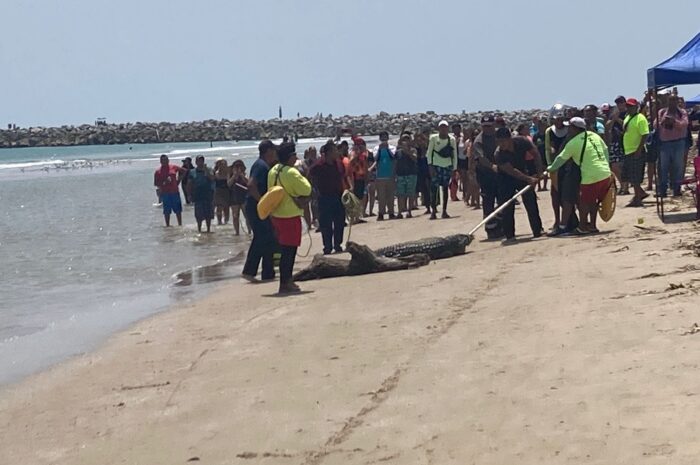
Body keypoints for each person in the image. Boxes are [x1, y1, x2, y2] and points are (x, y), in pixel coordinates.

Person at [547, 117, 612, 235]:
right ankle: (592, 226)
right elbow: (605, 150)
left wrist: (550, 168)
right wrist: (606, 166)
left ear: (575, 128)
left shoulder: (573, 143)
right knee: (594, 201)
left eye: (570, 127)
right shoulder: (594, 135)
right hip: (605, 173)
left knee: (584, 203)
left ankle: (582, 227)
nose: (568, 129)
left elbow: (560, 159)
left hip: (590, 177)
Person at [267, 142, 312, 294]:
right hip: (289, 215)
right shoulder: (291, 172)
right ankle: (286, 282)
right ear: (289, 156)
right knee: (289, 251)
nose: (296, 158)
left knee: (284, 250)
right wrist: (302, 173)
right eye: (294, 155)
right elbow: (306, 188)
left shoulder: (273, 170)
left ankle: (285, 281)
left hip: (276, 214)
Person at [493, 127, 543, 244]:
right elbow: (511, 170)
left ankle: (537, 230)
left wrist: (539, 171)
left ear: (509, 139)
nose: (501, 144)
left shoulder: (522, 141)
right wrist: (529, 179)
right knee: (507, 206)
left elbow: (535, 153)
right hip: (505, 178)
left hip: (522, 172)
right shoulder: (498, 154)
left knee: (531, 201)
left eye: (503, 141)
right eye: (498, 142)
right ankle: (509, 234)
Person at [242, 140, 278, 282]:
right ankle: (249, 271)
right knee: (261, 237)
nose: (275, 152)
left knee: (268, 237)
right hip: (255, 206)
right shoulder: (260, 165)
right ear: (268, 151)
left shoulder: (264, 165)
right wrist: (263, 202)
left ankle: (268, 272)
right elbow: (251, 185)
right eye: (273, 150)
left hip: (258, 206)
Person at [309, 141, 346, 254]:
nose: (337, 152)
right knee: (326, 224)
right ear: (328, 152)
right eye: (335, 150)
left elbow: (343, 177)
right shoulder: (318, 165)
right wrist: (313, 191)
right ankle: (327, 246)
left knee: (340, 221)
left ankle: (337, 244)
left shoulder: (339, 163)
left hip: (338, 196)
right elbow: (309, 177)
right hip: (324, 197)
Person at [545, 112, 576, 233]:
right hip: (556, 166)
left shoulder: (569, 130)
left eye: (560, 119)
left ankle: (570, 220)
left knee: (568, 195)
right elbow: (548, 148)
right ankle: (557, 220)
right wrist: (551, 166)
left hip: (569, 165)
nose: (558, 122)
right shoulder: (550, 131)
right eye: (555, 119)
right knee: (555, 194)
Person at [473, 115, 501, 237]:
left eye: (489, 126)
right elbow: (481, 158)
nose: (487, 129)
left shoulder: (499, 136)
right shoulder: (478, 141)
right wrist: (492, 166)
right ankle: (491, 229)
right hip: (486, 175)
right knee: (488, 202)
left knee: (502, 200)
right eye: (485, 127)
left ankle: (502, 226)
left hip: (500, 174)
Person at [656, 94, 689, 197]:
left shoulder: (681, 112)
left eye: (675, 100)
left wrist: (674, 121)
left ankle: (677, 189)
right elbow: (655, 124)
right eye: (671, 100)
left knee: (678, 167)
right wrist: (663, 121)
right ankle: (663, 190)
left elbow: (684, 124)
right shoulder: (662, 112)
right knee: (663, 167)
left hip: (679, 143)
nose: (672, 102)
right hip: (665, 143)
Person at [426, 120, 458, 219]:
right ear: (439, 128)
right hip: (436, 166)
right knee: (434, 189)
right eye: (442, 127)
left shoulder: (451, 139)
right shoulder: (433, 138)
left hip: (447, 165)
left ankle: (444, 210)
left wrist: (454, 168)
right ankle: (433, 211)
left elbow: (454, 154)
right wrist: (430, 166)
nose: (443, 129)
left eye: (445, 127)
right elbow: (429, 153)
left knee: (445, 188)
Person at [621, 98, 650, 207]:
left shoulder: (640, 118)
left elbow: (645, 134)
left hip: (636, 151)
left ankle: (637, 198)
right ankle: (640, 194)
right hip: (628, 150)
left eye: (632, 106)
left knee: (636, 176)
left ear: (636, 107)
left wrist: (639, 149)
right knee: (628, 176)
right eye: (628, 106)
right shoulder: (627, 117)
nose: (629, 108)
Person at [371, 131, 397, 221]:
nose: (384, 139)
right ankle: (381, 213)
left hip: (390, 175)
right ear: (380, 139)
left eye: (385, 138)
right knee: (381, 197)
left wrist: (387, 149)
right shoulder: (376, 148)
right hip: (380, 176)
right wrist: (379, 150)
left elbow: (393, 157)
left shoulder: (392, 147)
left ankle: (391, 213)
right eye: (382, 138)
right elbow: (376, 159)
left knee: (390, 196)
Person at [153, 154, 186, 226]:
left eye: (166, 160)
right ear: (160, 161)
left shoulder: (173, 167)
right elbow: (156, 183)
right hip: (165, 193)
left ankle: (180, 225)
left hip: (175, 192)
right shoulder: (158, 171)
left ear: (168, 160)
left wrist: (179, 180)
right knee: (167, 211)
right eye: (163, 160)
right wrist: (164, 182)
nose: (165, 161)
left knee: (178, 210)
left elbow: (184, 171)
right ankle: (167, 226)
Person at [606, 95, 628, 195]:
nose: (619, 105)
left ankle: (625, 187)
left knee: (624, 166)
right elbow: (608, 126)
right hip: (615, 141)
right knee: (614, 166)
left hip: (626, 141)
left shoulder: (627, 113)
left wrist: (618, 119)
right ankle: (623, 184)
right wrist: (614, 119)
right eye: (617, 103)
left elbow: (627, 125)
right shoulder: (614, 113)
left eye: (621, 102)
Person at [187, 155, 215, 233]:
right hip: (197, 196)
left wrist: (206, 171)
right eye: (198, 161)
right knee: (198, 215)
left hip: (208, 195)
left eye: (201, 161)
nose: (200, 162)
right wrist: (189, 195)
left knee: (208, 215)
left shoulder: (209, 170)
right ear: (196, 162)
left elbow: (213, 179)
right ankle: (199, 229)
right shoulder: (192, 172)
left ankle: (208, 229)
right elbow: (189, 184)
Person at [395, 133, 418, 218]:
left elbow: (415, 159)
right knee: (400, 194)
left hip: (411, 174)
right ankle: (399, 212)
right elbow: (395, 163)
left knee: (410, 193)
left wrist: (407, 151)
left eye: (407, 139)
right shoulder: (398, 152)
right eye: (404, 139)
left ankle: (409, 211)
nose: (405, 141)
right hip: (401, 175)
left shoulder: (413, 150)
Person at [228, 160, 249, 235]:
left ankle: (249, 231)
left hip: (243, 197)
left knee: (247, 216)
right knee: (235, 216)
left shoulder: (245, 174)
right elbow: (228, 184)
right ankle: (237, 232)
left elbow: (248, 182)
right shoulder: (230, 175)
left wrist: (241, 175)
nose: (238, 168)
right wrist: (234, 176)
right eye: (236, 167)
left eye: (240, 166)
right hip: (234, 198)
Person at [415, 129, 432, 214]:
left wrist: (423, 137)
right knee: (424, 189)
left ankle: (433, 206)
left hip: (428, 169)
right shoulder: (417, 149)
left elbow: (429, 142)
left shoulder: (428, 147)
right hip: (420, 170)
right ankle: (428, 207)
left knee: (430, 188)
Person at [213, 158, 231, 225]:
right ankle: (219, 222)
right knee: (219, 207)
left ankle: (226, 222)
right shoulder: (216, 172)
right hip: (218, 191)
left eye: (224, 164)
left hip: (226, 191)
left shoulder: (228, 172)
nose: (223, 166)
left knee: (226, 208)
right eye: (221, 164)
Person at [453, 123, 467, 201]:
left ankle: (465, 194)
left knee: (464, 178)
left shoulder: (462, 137)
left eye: (458, 129)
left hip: (462, 159)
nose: (456, 131)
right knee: (454, 178)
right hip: (454, 159)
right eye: (455, 129)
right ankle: (454, 195)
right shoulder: (451, 138)